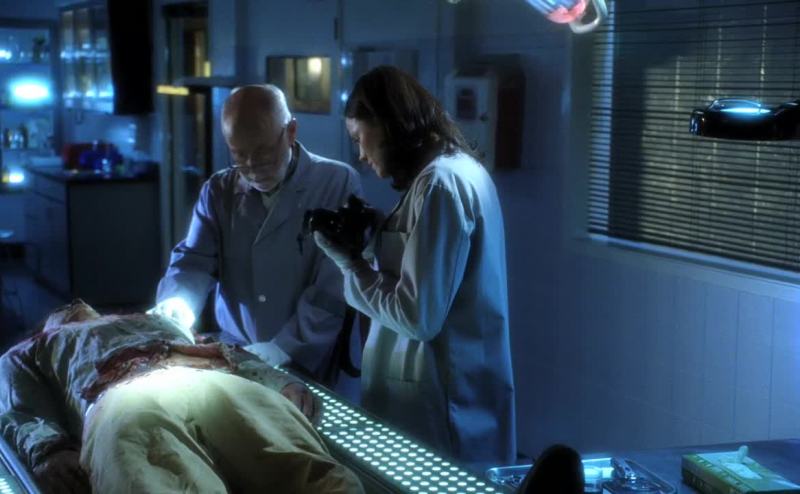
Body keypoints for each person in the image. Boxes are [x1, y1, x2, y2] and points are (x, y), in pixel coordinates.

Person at [314, 65, 516, 469]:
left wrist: (351, 265)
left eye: (359, 138)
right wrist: (378, 235)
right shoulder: (451, 173)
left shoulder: (441, 184)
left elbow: (417, 316)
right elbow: (426, 267)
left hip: (441, 407)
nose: (360, 155)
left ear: (388, 124)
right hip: (444, 397)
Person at [0, 299, 364, 494]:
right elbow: (20, 405)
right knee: (150, 475)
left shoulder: (158, 321)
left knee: (304, 467)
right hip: (124, 396)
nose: (78, 305)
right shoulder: (34, 348)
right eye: (65, 310)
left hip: (211, 376)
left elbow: (230, 353)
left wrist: (278, 382)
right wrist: (48, 450)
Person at [153, 84, 362, 384]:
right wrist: (177, 302)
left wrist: (284, 347)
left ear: (291, 132)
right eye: (239, 155)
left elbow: (333, 286)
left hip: (313, 360)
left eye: (264, 153)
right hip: (237, 353)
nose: (252, 168)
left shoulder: (336, 182)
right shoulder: (219, 190)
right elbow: (193, 260)